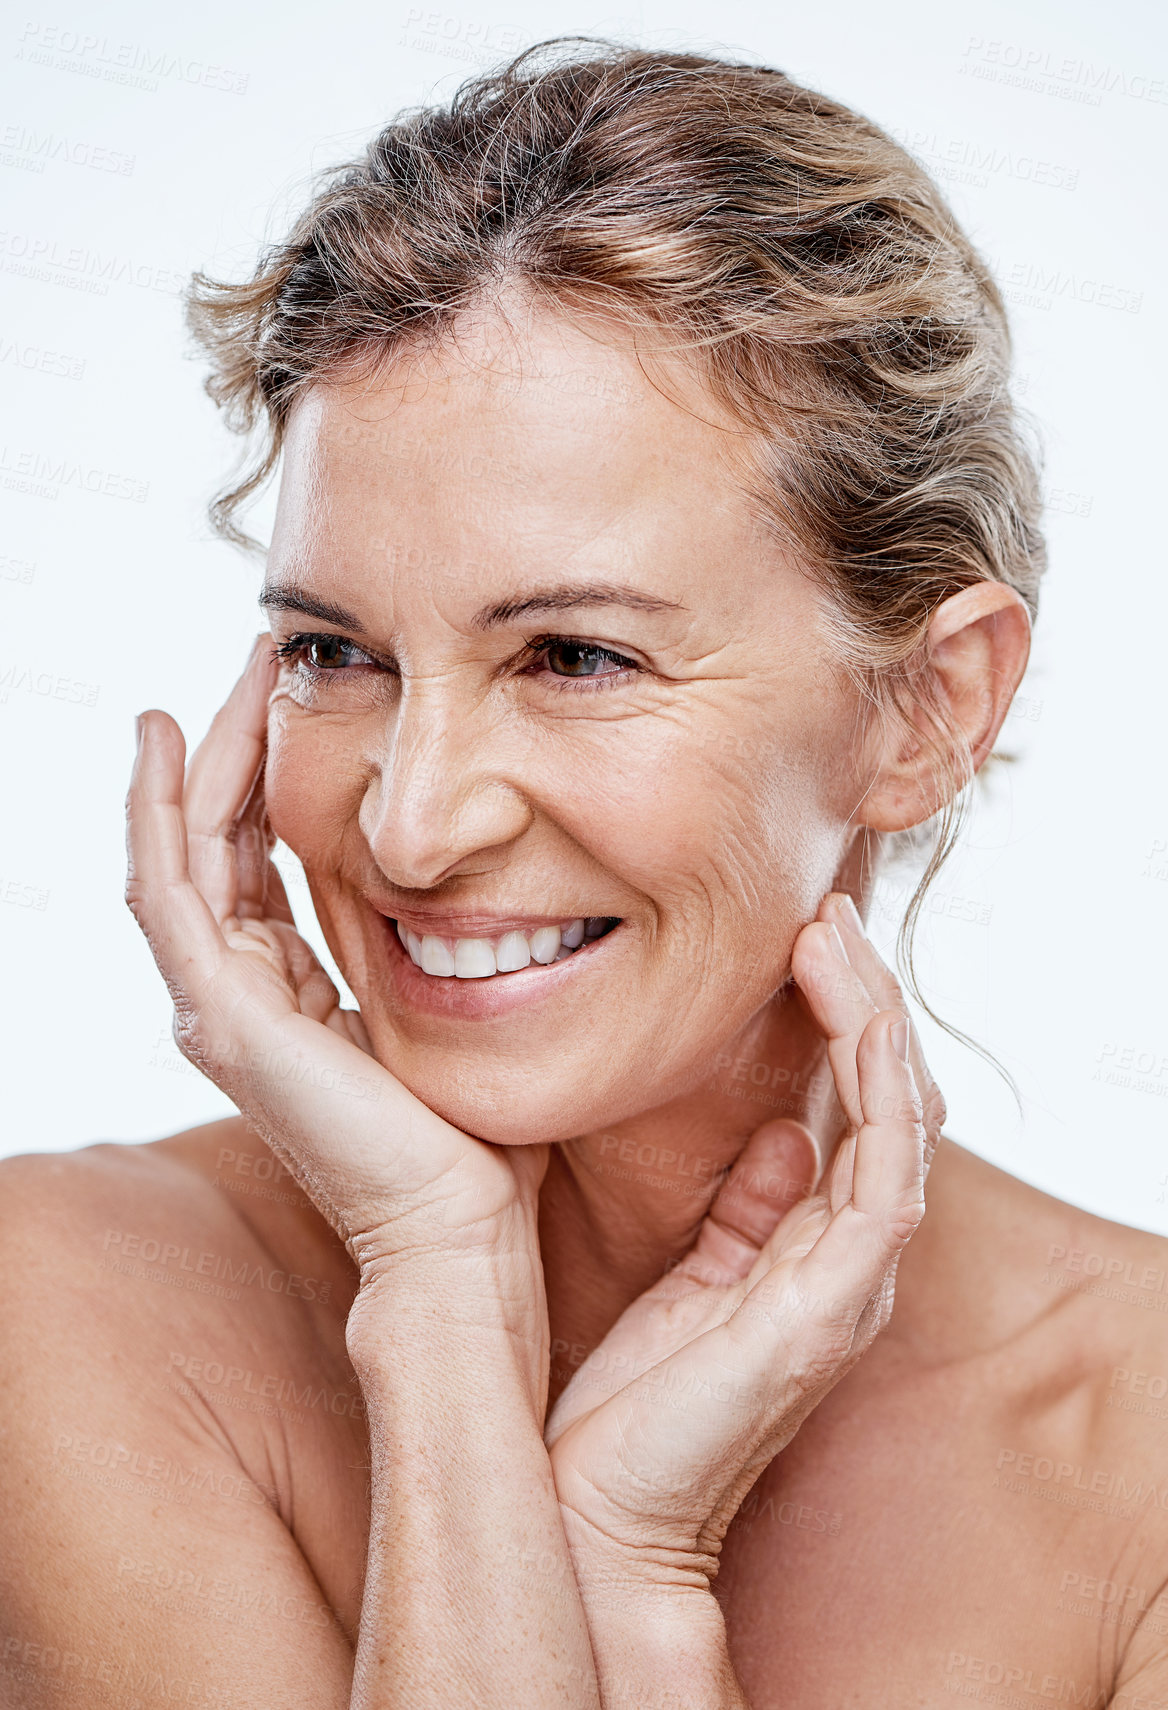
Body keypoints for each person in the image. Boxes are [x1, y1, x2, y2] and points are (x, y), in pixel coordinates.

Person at [3, 37, 1165, 1709]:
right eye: (336, 651)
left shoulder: (1139, 1448)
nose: (407, 829)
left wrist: (630, 1582)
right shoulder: (74, 1309)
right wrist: (442, 1296)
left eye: (575, 655)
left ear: (927, 707)